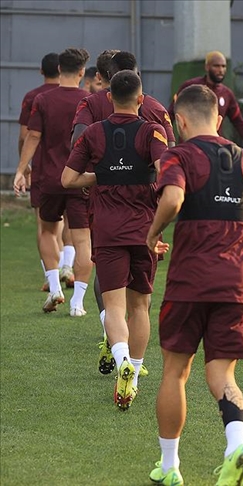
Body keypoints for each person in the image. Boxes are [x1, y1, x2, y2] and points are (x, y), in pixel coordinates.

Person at [145, 84, 243, 485]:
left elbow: (173, 199)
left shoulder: (178, 155)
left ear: (179, 121)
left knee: (175, 372)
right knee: (223, 375)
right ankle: (236, 446)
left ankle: (170, 467)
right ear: (219, 119)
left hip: (190, 279)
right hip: (236, 281)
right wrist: (239, 242)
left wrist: (152, 234)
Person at [61, 70, 168, 410]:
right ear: (141, 99)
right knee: (140, 306)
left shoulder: (94, 133)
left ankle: (121, 360)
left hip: (107, 230)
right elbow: (165, 170)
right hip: (145, 231)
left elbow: (67, 179)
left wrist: (101, 176)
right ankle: (132, 376)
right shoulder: (153, 131)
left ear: (109, 98)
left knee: (115, 307)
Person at [14, 47, 92, 316]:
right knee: (83, 240)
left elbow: (32, 136)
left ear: (59, 69)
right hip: (80, 179)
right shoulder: (89, 100)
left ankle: (55, 287)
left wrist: (21, 170)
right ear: (82, 71)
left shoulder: (43, 99)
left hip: (49, 178)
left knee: (48, 231)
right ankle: (77, 302)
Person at [16, 52, 74, 292]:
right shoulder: (81, 97)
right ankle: (67, 266)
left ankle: (52, 277)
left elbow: (26, 135)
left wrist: (24, 165)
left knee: (46, 226)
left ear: (41, 71)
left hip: (44, 168)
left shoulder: (34, 97)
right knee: (73, 222)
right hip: (75, 170)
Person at [168, 51, 243, 166]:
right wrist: (168, 144)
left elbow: (239, 123)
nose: (220, 70)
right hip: (189, 150)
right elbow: (170, 115)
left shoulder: (227, 94)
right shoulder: (190, 88)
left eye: (223, 66)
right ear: (207, 67)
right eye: (216, 66)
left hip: (213, 152)